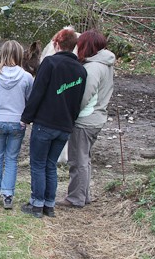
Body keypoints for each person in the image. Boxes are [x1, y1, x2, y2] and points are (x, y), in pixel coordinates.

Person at [20, 27, 87, 218]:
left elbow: (37, 93)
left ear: (56, 44)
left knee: (38, 164)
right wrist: (70, 122)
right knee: (51, 165)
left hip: (45, 124)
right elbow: (78, 101)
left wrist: (26, 117)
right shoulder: (81, 71)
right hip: (64, 126)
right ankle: (49, 205)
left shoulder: (49, 63)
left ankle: (36, 204)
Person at [57, 30, 115, 208]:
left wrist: (69, 113)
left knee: (77, 160)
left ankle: (75, 198)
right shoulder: (105, 64)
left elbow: (84, 96)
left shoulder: (93, 68)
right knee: (84, 158)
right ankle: (83, 194)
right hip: (96, 118)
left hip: (85, 120)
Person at [0, 40, 34, 209]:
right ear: (20, 55)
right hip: (17, 121)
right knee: (12, 159)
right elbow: (30, 101)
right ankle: (8, 195)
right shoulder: (27, 77)